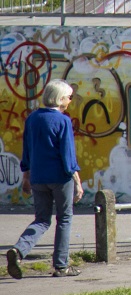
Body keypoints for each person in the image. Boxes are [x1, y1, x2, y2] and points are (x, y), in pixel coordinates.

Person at [8, 80, 83, 279]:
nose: (70, 100)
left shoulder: (32, 118)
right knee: (64, 218)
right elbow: (68, 156)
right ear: (60, 99)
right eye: (69, 96)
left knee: (41, 220)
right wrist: (77, 180)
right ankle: (61, 265)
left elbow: (27, 150)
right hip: (60, 177)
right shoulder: (63, 121)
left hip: (38, 177)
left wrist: (26, 175)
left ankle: (18, 250)